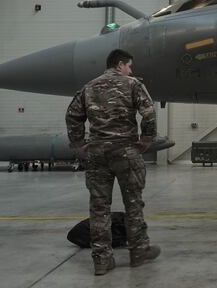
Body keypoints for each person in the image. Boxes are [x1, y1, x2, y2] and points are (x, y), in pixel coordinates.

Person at [65, 49, 160, 276]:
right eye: (129, 66)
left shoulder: (89, 87)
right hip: (126, 152)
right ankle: (138, 252)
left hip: (97, 155)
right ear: (120, 64)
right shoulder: (132, 84)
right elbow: (149, 113)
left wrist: (79, 143)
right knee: (133, 204)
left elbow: (72, 115)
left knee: (99, 208)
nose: (131, 70)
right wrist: (146, 139)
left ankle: (102, 261)